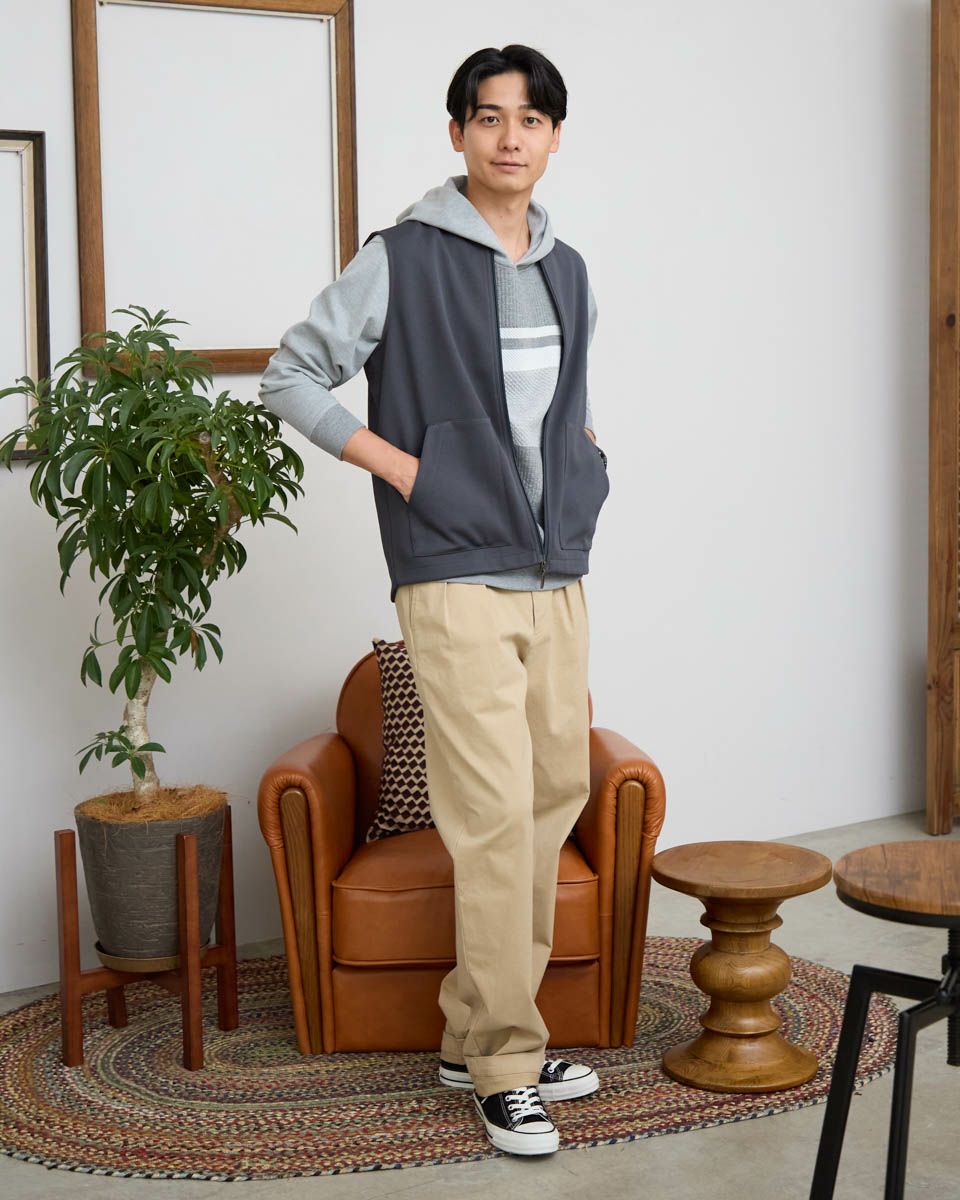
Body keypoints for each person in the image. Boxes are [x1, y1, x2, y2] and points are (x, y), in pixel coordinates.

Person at [259, 43, 610, 1157]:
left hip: (557, 570)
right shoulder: (402, 257)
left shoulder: (568, 268)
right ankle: (507, 1063)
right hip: (453, 572)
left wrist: (585, 464)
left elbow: (557, 410)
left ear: (554, 137)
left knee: (551, 799)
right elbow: (289, 377)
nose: (511, 137)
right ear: (457, 132)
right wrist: (411, 472)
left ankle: (471, 1029)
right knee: (495, 816)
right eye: (489, 116)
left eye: (531, 119)